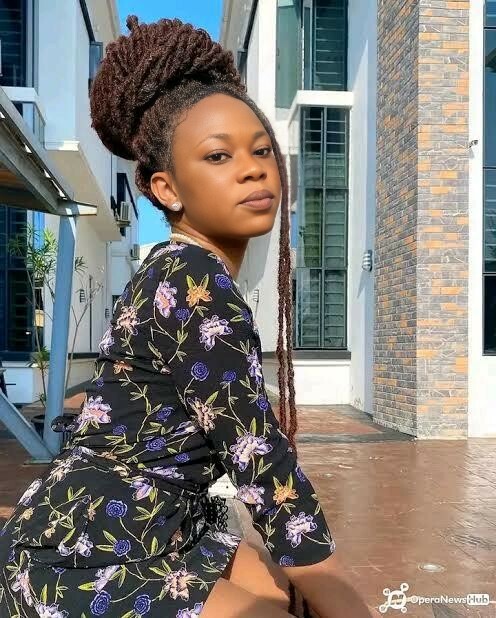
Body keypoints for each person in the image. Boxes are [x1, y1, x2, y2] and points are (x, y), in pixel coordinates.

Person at [0, 16, 378, 618]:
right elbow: (260, 461)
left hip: (162, 524)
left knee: (276, 591)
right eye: (219, 155)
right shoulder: (192, 281)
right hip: (84, 551)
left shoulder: (178, 267)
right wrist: (341, 594)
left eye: (261, 150)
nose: (253, 168)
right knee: (284, 606)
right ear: (167, 189)